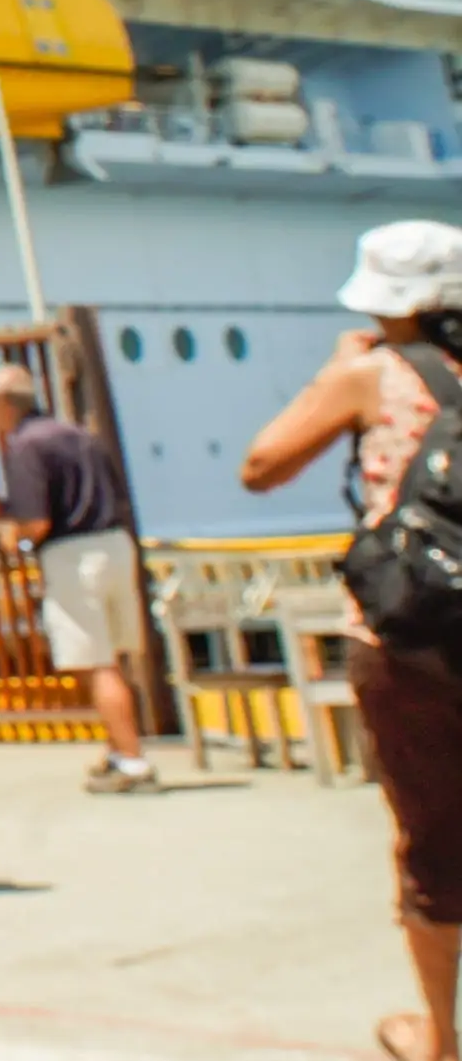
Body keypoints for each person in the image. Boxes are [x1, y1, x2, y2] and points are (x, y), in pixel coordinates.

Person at [242, 220, 462, 1061]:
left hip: (408, 638)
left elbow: (261, 465)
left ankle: (441, 1039)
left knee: (434, 839)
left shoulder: (374, 371)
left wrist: (340, 372)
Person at [0, 364, 155, 794]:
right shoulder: (79, 433)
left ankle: (132, 762)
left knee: (96, 663)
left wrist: (10, 534)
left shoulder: (24, 445)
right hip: (114, 543)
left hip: (73, 554)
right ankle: (117, 750)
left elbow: (36, 521)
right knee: (114, 656)